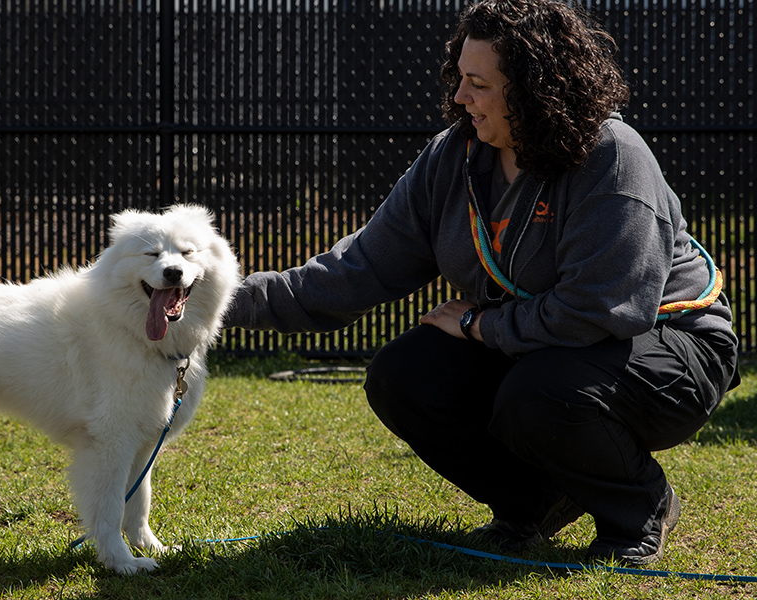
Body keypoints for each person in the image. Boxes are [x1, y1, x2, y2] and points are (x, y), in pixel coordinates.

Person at [223, 0, 739, 566]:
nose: (460, 99)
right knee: (404, 374)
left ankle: (639, 508)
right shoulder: (455, 156)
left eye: (478, 84)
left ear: (535, 89)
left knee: (539, 394)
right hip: (547, 345)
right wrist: (214, 298)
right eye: (459, 79)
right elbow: (357, 271)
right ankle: (535, 504)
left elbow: (602, 309)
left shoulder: (612, 156)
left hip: (671, 344)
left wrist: (480, 324)